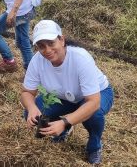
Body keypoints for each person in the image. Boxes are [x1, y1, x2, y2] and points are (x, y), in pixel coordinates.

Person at [21, 20, 114, 165]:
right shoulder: (37, 61)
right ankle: (63, 131)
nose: (47, 50)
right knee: (30, 113)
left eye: (51, 43)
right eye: (41, 46)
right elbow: (27, 92)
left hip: (96, 94)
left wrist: (65, 121)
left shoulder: (80, 58)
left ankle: (94, 146)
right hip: (64, 96)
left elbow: (94, 102)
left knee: (93, 114)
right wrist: (32, 108)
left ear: (62, 40)